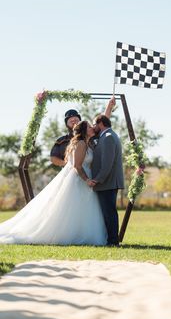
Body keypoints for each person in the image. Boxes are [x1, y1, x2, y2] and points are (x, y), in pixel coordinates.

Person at [0, 121, 107, 246]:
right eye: (89, 127)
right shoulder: (82, 143)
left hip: (84, 179)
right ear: (84, 130)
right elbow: (77, 166)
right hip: (79, 179)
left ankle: (80, 233)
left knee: (81, 209)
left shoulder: (86, 143)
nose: (92, 128)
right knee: (73, 208)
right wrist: (87, 180)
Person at [88, 115, 124, 246]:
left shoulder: (108, 137)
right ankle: (111, 240)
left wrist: (97, 180)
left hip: (108, 182)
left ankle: (113, 241)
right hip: (107, 182)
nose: (93, 127)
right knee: (108, 212)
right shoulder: (105, 136)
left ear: (101, 123)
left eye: (94, 124)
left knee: (109, 213)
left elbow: (107, 164)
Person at [50, 97, 116, 167]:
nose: (74, 122)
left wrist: (109, 107)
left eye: (76, 120)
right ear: (66, 124)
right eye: (71, 121)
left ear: (80, 122)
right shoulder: (61, 140)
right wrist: (68, 165)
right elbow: (53, 157)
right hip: (71, 173)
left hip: (92, 171)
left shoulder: (90, 134)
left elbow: (102, 122)